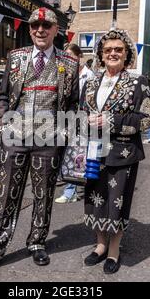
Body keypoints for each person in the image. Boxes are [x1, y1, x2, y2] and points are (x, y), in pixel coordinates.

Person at [0, 7, 79, 276]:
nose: (40, 30)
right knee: (8, 191)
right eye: (34, 26)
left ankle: (37, 242)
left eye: (46, 25)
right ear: (29, 29)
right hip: (16, 137)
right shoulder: (16, 57)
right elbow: (2, 97)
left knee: (43, 193)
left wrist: (65, 133)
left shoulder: (69, 64)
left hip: (49, 139)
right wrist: (2, 125)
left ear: (57, 30)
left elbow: (74, 103)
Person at [81, 29, 150, 274]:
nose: (113, 53)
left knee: (117, 202)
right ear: (101, 54)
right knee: (94, 200)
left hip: (123, 153)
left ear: (127, 54)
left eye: (118, 49)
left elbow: (145, 120)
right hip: (93, 151)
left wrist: (110, 120)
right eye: (108, 49)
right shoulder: (90, 83)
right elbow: (80, 114)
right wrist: (85, 121)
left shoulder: (138, 81)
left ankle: (114, 249)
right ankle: (100, 245)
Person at [55, 43, 93, 204]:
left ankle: (71, 191)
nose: (68, 59)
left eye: (71, 56)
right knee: (64, 152)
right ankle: (69, 183)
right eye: (66, 56)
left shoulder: (89, 76)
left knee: (77, 154)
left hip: (82, 119)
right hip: (66, 118)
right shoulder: (64, 72)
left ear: (79, 57)